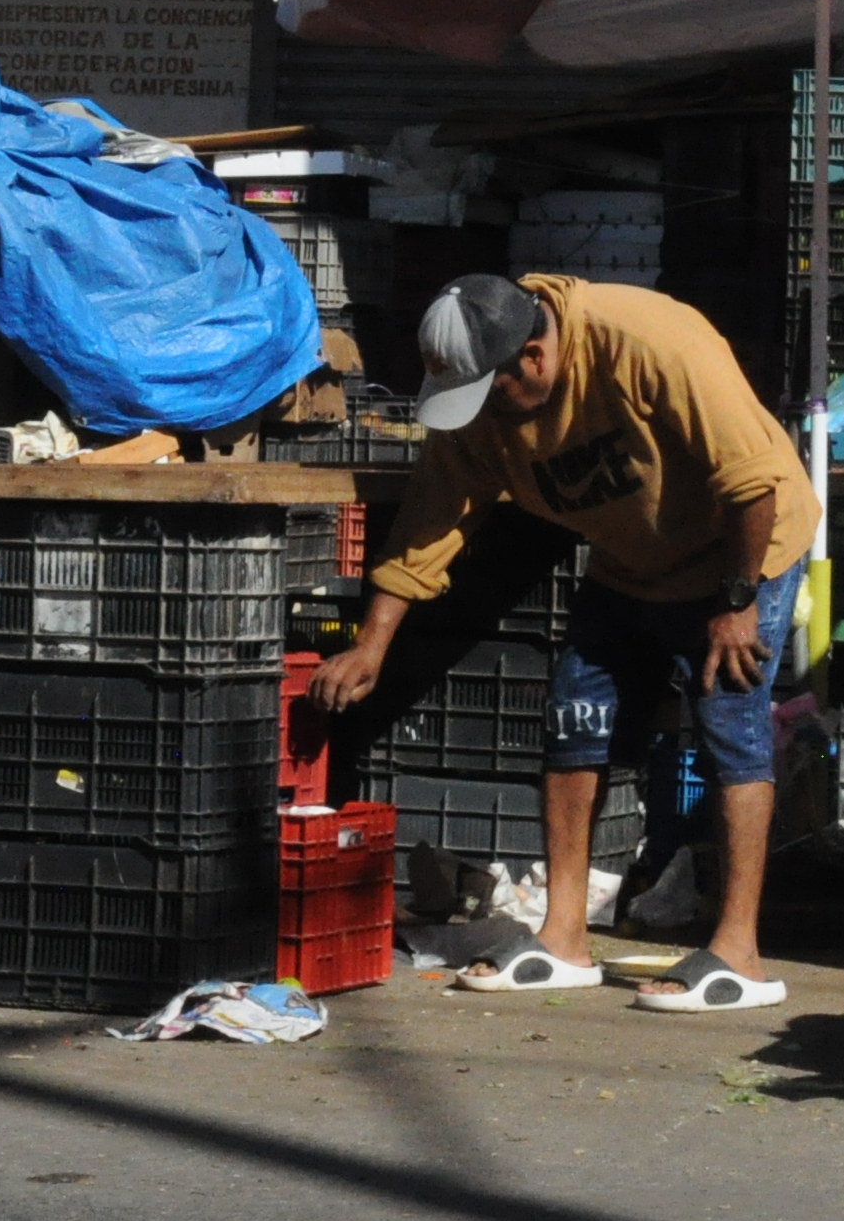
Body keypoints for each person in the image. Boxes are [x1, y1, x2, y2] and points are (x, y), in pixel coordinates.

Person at [314, 272, 816, 1013]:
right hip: (629, 563)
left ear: (536, 359)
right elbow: (430, 519)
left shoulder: (650, 341)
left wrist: (736, 603)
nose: (482, 414)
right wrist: (372, 645)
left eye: (492, 393)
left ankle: (739, 952)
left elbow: (753, 482)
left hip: (743, 555)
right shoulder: (484, 407)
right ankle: (563, 938)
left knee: (728, 727)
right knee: (572, 726)